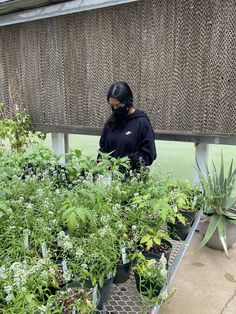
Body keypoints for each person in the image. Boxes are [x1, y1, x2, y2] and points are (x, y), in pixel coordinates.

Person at [98, 82, 157, 171]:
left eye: (117, 105)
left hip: (133, 180)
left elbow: (148, 155)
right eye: (112, 106)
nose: (114, 109)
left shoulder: (141, 122)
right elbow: (103, 148)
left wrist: (122, 163)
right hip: (111, 178)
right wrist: (101, 162)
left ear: (128, 101)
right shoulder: (111, 121)